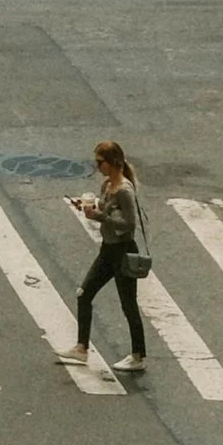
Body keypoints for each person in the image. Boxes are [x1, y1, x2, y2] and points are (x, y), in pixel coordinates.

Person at [67, 141, 149, 372]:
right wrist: (87, 207)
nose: (97, 166)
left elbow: (130, 224)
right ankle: (81, 348)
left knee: (128, 304)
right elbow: (103, 209)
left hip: (123, 251)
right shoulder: (107, 185)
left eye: (100, 162)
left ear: (113, 162)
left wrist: (100, 217)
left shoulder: (124, 190)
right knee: (84, 294)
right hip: (108, 250)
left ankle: (138, 355)